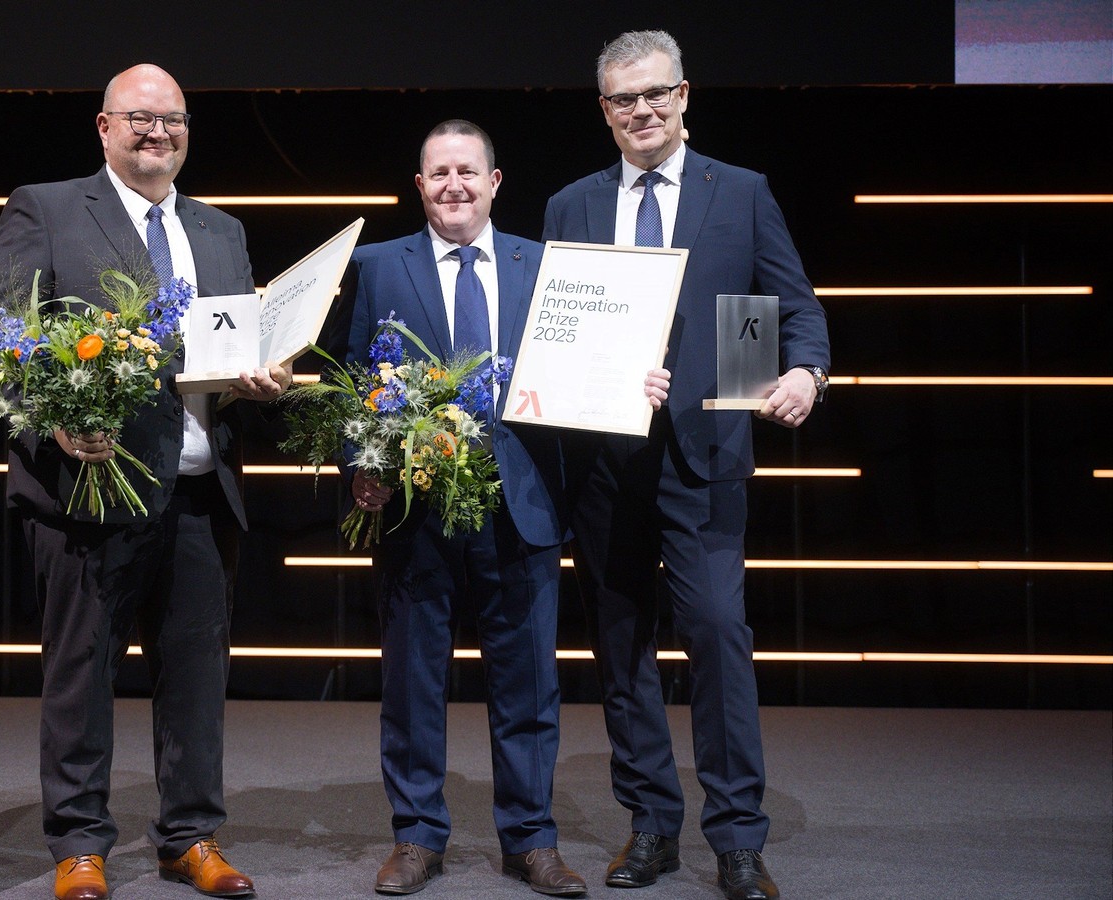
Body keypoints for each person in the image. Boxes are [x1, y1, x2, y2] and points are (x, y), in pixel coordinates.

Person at [0, 64, 286, 900]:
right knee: (80, 676)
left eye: (173, 119)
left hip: (198, 491)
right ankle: (79, 844)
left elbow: (229, 356)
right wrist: (50, 423)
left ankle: (191, 837)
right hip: (87, 487)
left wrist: (262, 380)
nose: (157, 132)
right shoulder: (44, 207)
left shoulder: (222, 231)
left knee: (195, 681)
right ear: (103, 128)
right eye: (139, 119)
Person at [345, 120, 669, 897]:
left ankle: (531, 839)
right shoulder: (377, 266)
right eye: (438, 173)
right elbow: (352, 379)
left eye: (468, 171)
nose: (453, 185)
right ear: (419, 185)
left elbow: (591, 363)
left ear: (495, 182)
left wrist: (634, 383)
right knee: (413, 685)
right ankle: (417, 837)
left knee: (530, 688)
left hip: (520, 509)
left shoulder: (546, 267)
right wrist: (365, 465)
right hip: (414, 515)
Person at [542, 30, 832, 900]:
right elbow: (555, 330)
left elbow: (796, 308)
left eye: (654, 93)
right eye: (622, 99)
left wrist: (804, 374)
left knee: (715, 637)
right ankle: (652, 828)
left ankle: (738, 838)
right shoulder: (571, 204)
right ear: (604, 111)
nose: (641, 110)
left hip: (706, 458)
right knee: (622, 652)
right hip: (603, 463)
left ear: (683, 95)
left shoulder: (740, 192)